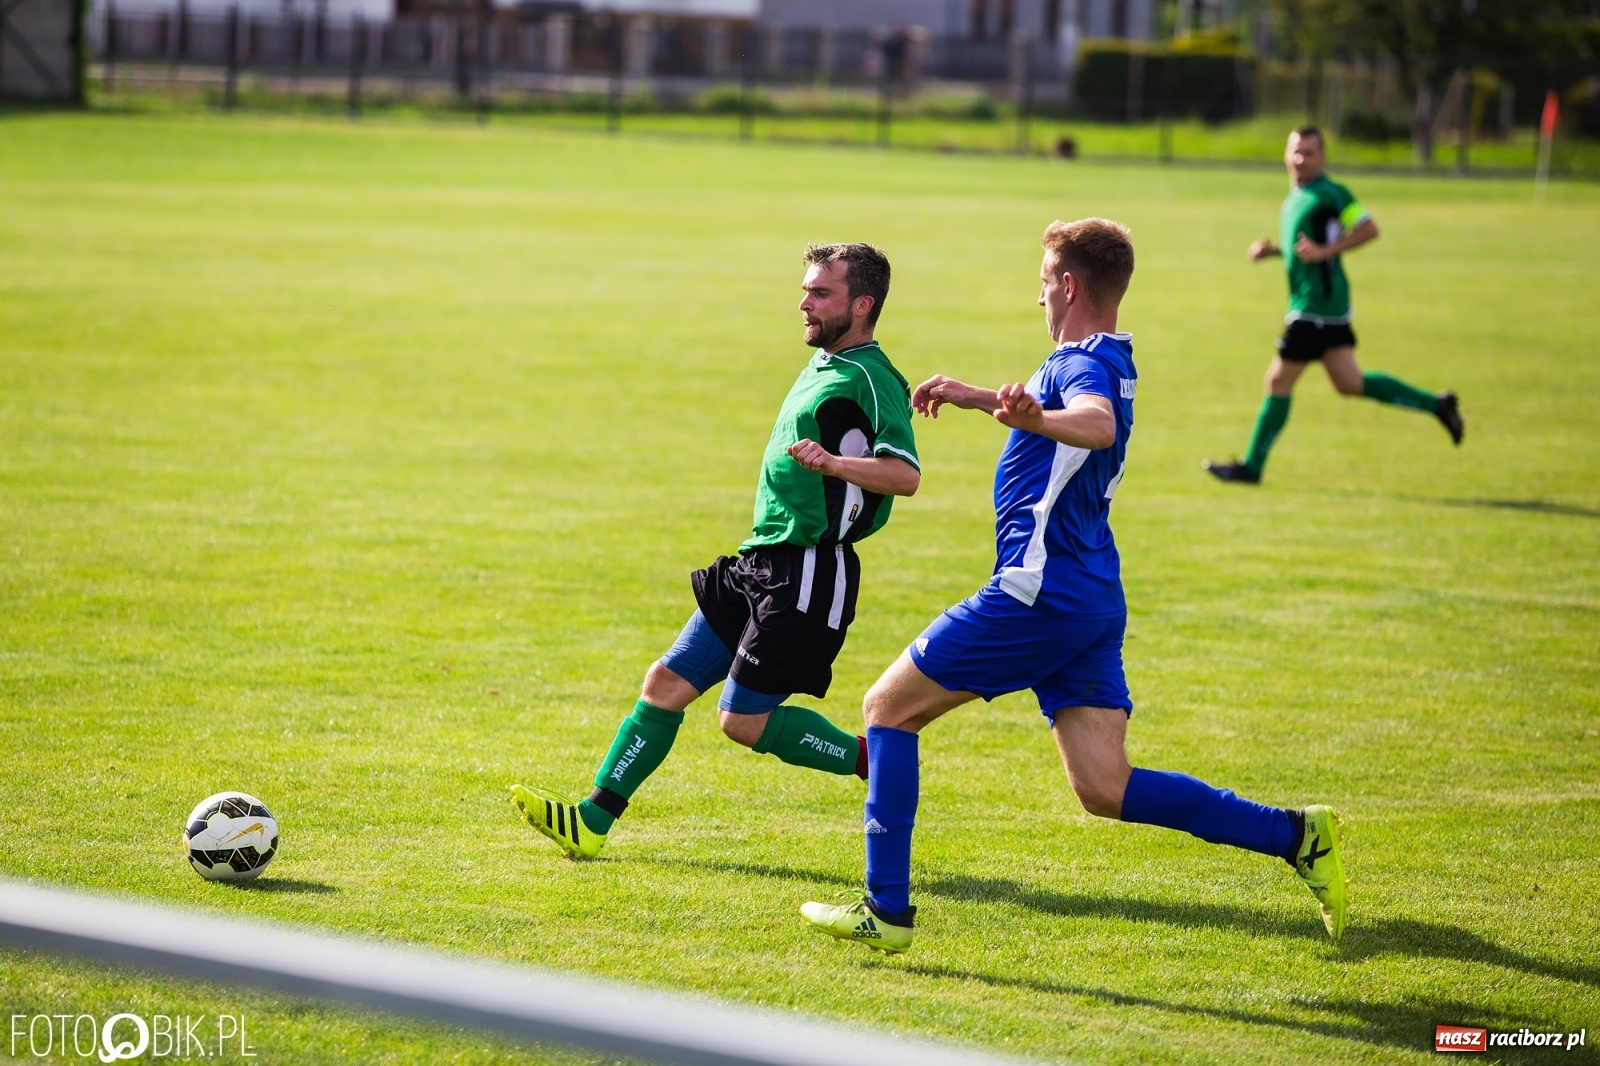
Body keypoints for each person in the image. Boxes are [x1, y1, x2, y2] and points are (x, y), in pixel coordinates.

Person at [799, 219, 1347, 955]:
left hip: (1036, 592)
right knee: (1104, 785)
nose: (1037, 299)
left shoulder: (1082, 371)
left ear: (1069, 285)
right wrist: (979, 398)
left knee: (885, 711)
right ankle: (1295, 834)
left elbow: (1093, 423)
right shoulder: (1108, 355)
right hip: (1088, 592)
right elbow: (1066, 413)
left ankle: (885, 908)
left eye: (1042, 281)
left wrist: (1040, 415)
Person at [511, 243, 921, 858]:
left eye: (820, 293)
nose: (804, 303)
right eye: (805, 289)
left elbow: (905, 475)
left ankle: (871, 759)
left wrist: (835, 463)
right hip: (759, 561)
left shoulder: (871, 376)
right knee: (665, 683)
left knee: (742, 722)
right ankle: (593, 821)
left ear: (862, 305)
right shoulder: (826, 362)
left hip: (808, 570)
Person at [1205, 126, 1463, 485]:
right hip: (1325, 308)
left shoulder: (1332, 193)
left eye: (1309, 152)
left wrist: (1327, 252)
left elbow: (1369, 228)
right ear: (1285, 154)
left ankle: (1252, 468)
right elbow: (1306, 248)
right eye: (1295, 151)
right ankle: (1437, 405)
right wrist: (1273, 252)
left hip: (1316, 308)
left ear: (1323, 157)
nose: (1300, 159)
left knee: (1278, 381)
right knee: (1349, 382)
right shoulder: (1298, 195)